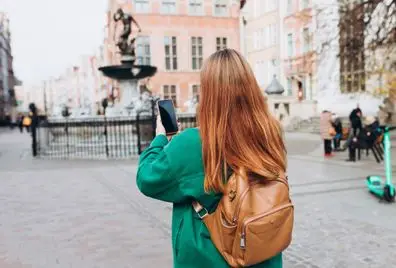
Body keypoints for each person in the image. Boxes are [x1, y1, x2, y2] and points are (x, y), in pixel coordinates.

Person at [136, 49, 286, 268]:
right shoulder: (270, 133)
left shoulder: (192, 143)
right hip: (263, 253)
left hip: (210, 258)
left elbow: (147, 177)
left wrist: (160, 138)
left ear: (208, 93)